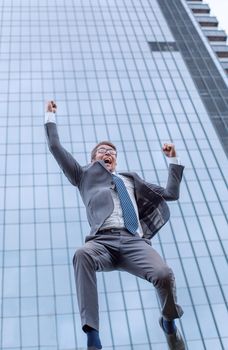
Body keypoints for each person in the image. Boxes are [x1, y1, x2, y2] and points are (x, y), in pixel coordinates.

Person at [44, 100, 186, 350]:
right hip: (102, 242)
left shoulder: (131, 179)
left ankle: (168, 320)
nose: (108, 153)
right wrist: (50, 115)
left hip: (135, 242)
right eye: (102, 151)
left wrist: (173, 158)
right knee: (81, 255)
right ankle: (93, 337)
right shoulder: (83, 175)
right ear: (93, 158)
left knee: (164, 274)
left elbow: (171, 194)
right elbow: (55, 147)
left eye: (112, 151)